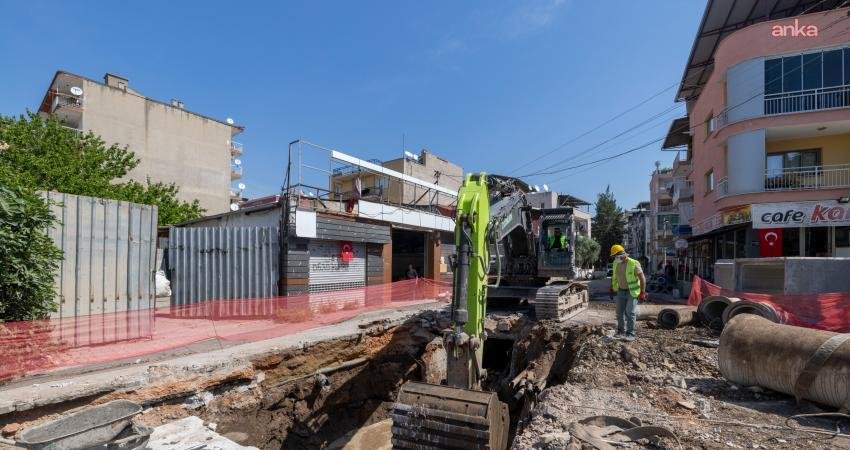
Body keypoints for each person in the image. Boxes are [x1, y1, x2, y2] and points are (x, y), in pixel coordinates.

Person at [608, 244, 646, 341]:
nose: (616, 258)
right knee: (619, 313)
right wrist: (612, 288)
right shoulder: (616, 263)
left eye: (617, 256)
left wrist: (643, 292)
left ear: (623, 254)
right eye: (614, 257)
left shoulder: (634, 263)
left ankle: (630, 334)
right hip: (620, 291)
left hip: (632, 292)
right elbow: (614, 277)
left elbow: (642, 278)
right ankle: (621, 331)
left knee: (630, 313)